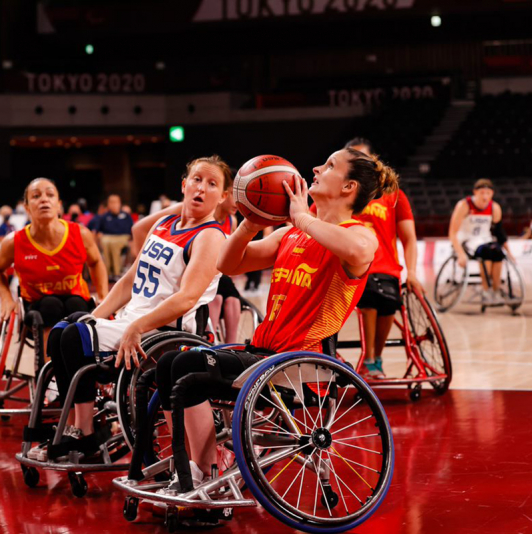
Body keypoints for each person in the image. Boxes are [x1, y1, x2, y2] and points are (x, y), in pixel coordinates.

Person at [141, 147, 398, 490]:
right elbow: (228, 265)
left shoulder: (359, 233)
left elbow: (359, 251)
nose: (316, 167)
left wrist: (302, 217)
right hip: (263, 355)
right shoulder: (289, 234)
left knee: (186, 370)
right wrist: (250, 223)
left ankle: (204, 474)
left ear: (348, 187)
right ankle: (194, 469)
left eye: (330, 165)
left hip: (298, 364)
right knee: (170, 363)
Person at [27, 155, 232, 462]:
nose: (201, 188)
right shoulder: (164, 224)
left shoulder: (210, 236)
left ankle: (84, 433)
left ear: (223, 196)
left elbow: (187, 298)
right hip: (132, 322)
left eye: (212, 183)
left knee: (71, 338)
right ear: (184, 185)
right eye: (196, 180)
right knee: (62, 330)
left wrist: (136, 326)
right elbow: (129, 279)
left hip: (163, 333)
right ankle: (79, 427)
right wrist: (95, 315)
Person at [314, 138, 421, 379]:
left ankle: (375, 359)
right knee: (371, 295)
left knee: (388, 301)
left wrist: (411, 272)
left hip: (386, 266)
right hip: (347, 265)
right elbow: (312, 226)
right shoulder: (333, 196)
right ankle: (368, 358)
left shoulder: (395, 196)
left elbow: (409, 238)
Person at [0, 178, 108, 352]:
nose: (44, 199)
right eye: (36, 196)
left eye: (50, 195)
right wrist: (6, 298)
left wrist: (103, 294)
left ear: (58, 205)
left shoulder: (80, 234)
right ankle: (50, 373)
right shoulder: (14, 241)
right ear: (27, 208)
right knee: (50, 305)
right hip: (36, 307)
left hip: (75, 299)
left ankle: (82, 370)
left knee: (77, 307)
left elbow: (96, 262)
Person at [133, 183, 243, 344]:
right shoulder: (188, 209)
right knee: (217, 295)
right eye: (234, 194)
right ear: (223, 194)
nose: (238, 202)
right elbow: (138, 229)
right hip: (186, 273)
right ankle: (208, 338)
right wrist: (144, 262)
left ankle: (230, 345)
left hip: (213, 274)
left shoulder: (231, 220)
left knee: (232, 296)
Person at [448, 178, 514, 305]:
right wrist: (460, 254)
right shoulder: (464, 205)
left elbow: (500, 233)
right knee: (486, 252)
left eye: (487, 193)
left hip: (485, 239)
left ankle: (495, 291)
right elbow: (452, 233)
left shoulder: (494, 208)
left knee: (498, 252)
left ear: (492, 194)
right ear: (475, 192)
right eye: (481, 192)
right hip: (466, 240)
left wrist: (509, 252)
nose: (485, 196)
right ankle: (486, 290)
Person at [97, 194, 134, 278]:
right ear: (108, 204)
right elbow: (98, 231)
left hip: (123, 237)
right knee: (106, 242)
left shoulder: (126, 216)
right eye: (111, 202)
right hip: (107, 237)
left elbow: (132, 230)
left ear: (120, 203)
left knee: (113, 244)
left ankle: (117, 272)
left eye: (115, 202)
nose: (114, 204)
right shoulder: (104, 217)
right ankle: (108, 273)